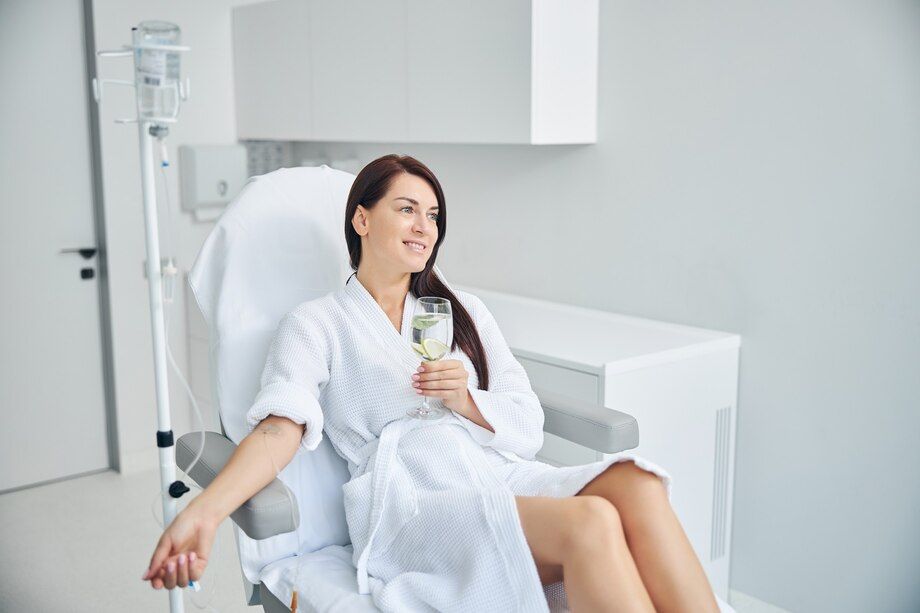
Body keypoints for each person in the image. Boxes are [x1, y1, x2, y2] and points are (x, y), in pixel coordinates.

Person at [143, 154, 720, 612]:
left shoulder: (459, 310)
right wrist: (207, 512)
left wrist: (466, 400)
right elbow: (279, 428)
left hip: (492, 473)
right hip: (411, 500)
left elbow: (526, 421)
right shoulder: (317, 322)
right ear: (361, 219)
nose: (425, 227)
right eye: (407, 209)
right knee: (592, 521)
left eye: (434, 215)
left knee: (637, 484)